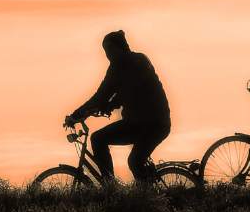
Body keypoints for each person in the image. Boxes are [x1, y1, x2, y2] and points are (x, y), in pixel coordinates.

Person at [64, 30, 171, 183]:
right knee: (132, 159)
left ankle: (112, 188)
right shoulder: (132, 62)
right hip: (141, 122)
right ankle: (134, 191)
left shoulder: (131, 64)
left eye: (110, 50)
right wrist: (104, 106)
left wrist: (77, 115)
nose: (108, 55)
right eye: (105, 51)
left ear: (120, 48)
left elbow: (106, 94)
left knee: (106, 144)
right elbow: (114, 93)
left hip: (152, 124)